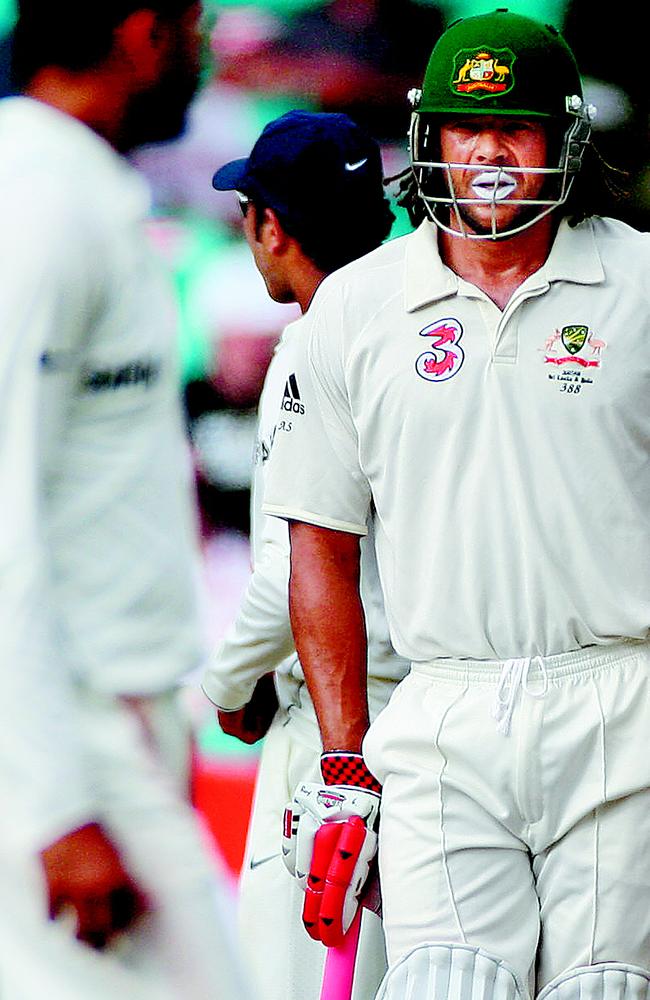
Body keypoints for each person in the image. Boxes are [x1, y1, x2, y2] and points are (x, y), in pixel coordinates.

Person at [262, 9, 650, 1000]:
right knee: (441, 985)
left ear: (562, 141)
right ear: (423, 139)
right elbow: (319, 542)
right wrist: (341, 760)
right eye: (459, 128)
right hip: (440, 715)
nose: (482, 153)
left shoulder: (639, 284)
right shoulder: (355, 307)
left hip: (621, 704)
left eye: (511, 128)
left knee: (599, 988)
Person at [0, 2, 254, 997]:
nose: (201, 49)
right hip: (69, 739)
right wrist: (53, 803)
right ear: (142, 30)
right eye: (194, 23)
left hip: (105, 724)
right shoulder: (37, 202)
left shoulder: (73, 188)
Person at [202, 109, 408, 1000]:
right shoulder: (433, 331)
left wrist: (223, 684)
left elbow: (292, 569)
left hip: (333, 731)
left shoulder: (312, 347)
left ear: (271, 226)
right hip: (440, 710)